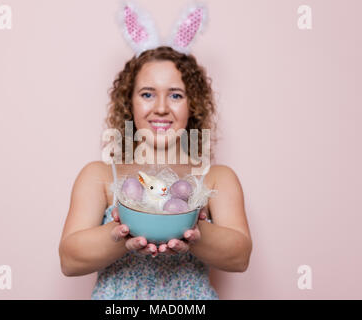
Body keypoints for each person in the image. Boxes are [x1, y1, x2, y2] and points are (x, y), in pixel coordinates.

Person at [58, 3, 252, 300]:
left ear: (193, 104)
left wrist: (193, 230)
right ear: (129, 102)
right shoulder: (99, 175)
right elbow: (69, 260)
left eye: (175, 95)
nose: (161, 107)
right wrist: (121, 234)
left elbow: (239, 257)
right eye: (147, 94)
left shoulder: (215, 178)